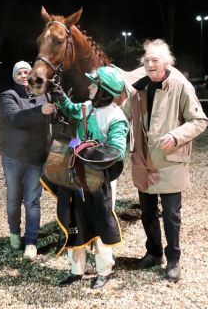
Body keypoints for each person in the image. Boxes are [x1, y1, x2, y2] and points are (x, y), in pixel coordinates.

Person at [123, 39, 208, 282]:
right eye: (147, 60)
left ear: (166, 63)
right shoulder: (138, 89)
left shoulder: (181, 86)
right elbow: (122, 116)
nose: (150, 64)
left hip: (169, 162)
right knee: (147, 213)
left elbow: (199, 120)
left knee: (171, 215)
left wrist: (176, 135)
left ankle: (173, 259)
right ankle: (153, 253)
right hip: (143, 162)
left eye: (155, 60)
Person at [49, 66, 129, 289]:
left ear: (104, 90)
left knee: (101, 221)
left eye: (94, 84)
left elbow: (116, 151)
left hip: (100, 181)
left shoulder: (117, 118)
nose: (90, 87)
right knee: (76, 220)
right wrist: (60, 95)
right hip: (77, 176)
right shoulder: (86, 106)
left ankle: (104, 270)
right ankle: (76, 270)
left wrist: (83, 149)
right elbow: (70, 109)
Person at [0, 61, 55, 262]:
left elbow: (54, 114)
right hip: (14, 157)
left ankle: (31, 242)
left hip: (36, 157)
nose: (24, 75)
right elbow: (14, 118)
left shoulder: (43, 94)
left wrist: (53, 108)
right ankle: (15, 232)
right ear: (14, 76)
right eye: (19, 73)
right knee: (14, 200)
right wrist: (40, 111)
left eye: (27, 72)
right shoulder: (8, 96)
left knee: (32, 201)